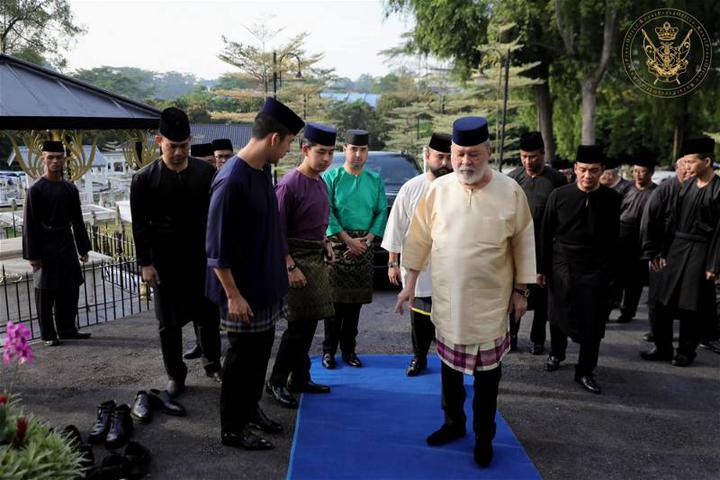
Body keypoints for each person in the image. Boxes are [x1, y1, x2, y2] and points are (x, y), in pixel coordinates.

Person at [395, 116, 536, 468]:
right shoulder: (438, 191)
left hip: (491, 305)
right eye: (459, 155)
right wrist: (409, 283)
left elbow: (523, 243)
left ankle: (484, 436)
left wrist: (521, 292)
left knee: (488, 381)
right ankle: (453, 423)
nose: (464, 163)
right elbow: (418, 239)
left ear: (488, 152)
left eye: (473, 155)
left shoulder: (510, 191)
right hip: (449, 301)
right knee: (449, 373)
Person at [206, 97, 304, 450]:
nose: (291, 148)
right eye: (291, 141)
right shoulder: (231, 179)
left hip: (264, 287)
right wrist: (233, 294)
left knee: (259, 355)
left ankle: (250, 410)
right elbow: (216, 250)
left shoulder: (262, 170)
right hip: (241, 293)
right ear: (275, 139)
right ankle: (232, 428)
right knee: (240, 361)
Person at [130, 107, 222, 399]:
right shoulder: (144, 179)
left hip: (201, 259)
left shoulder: (206, 172)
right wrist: (145, 263)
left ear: (190, 141)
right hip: (165, 261)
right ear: (159, 141)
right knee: (168, 324)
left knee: (208, 316)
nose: (180, 152)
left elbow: (215, 218)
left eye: (184, 146)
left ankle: (212, 363)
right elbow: (140, 226)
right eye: (173, 146)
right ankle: (175, 374)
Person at [265, 123, 337, 408]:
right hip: (293, 260)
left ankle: (300, 378)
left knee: (308, 325)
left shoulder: (320, 181)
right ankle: (276, 381)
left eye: (331, 153)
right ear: (305, 150)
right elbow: (276, 230)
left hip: (314, 256)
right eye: (321, 152)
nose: (327, 159)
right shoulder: (289, 183)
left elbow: (317, 221)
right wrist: (289, 265)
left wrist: (326, 242)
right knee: (297, 326)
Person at [540, 145, 621, 394]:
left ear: (602, 171)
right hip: (562, 261)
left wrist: (613, 276)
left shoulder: (612, 199)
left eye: (593, 171)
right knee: (558, 313)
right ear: (575, 169)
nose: (587, 176)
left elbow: (615, 239)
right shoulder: (560, 195)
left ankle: (585, 370)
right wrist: (542, 268)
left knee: (593, 322)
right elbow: (546, 233)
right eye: (583, 170)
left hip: (596, 267)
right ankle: (557, 353)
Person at [641, 136, 720, 367]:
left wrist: (714, 264)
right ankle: (663, 347)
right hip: (675, 249)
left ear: (707, 161)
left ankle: (686, 352)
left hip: (701, 252)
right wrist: (657, 251)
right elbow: (671, 223)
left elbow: (719, 232)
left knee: (690, 307)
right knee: (662, 303)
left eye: (691, 162)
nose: (686, 167)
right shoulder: (685, 187)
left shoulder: (717, 190)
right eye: (684, 162)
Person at [382, 133, 452, 376]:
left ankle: (451, 364)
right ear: (427, 156)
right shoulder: (411, 188)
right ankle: (419, 358)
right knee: (420, 320)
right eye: (439, 157)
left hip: (450, 269)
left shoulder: (459, 188)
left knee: (450, 322)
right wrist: (392, 262)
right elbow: (397, 228)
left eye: (448, 157)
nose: (444, 163)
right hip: (418, 270)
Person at [321, 129, 388, 369]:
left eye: (363, 150)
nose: (358, 154)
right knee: (334, 304)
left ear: (367, 152)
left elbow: (381, 211)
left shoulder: (374, 180)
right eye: (353, 149)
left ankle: (349, 351)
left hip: (365, 247)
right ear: (344, 150)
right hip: (338, 246)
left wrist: (369, 239)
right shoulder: (332, 177)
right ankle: (328, 351)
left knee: (354, 307)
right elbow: (325, 210)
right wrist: (348, 240)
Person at [22, 140, 92, 346]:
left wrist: (83, 247)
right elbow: (29, 224)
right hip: (44, 245)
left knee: (70, 288)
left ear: (64, 160)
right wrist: (33, 256)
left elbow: (77, 220)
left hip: (65, 242)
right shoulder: (35, 189)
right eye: (50, 157)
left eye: (59, 158)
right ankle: (49, 335)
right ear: (43, 159)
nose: (55, 161)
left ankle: (68, 329)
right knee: (45, 292)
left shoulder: (70, 188)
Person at [507, 131, 566, 354]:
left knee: (541, 299)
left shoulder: (556, 180)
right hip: (517, 248)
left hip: (544, 249)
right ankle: (511, 336)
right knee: (514, 293)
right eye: (524, 156)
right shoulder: (513, 179)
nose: (528, 161)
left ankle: (537, 339)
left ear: (543, 153)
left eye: (532, 156)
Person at [639, 158, 690, 343]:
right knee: (658, 299)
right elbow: (649, 223)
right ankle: (659, 336)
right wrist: (653, 252)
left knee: (687, 301)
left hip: (689, 254)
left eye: (690, 167)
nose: (687, 170)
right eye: (684, 167)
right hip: (663, 253)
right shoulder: (664, 190)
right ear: (677, 168)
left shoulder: (700, 189)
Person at [615, 150, 657, 323]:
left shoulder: (657, 192)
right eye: (636, 171)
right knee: (615, 276)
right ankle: (610, 304)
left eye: (643, 172)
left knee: (635, 281)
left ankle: (628, 311)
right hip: (622, 235)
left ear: (651, 173)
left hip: (642, 239)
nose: (639, 175)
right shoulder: (625, 188)